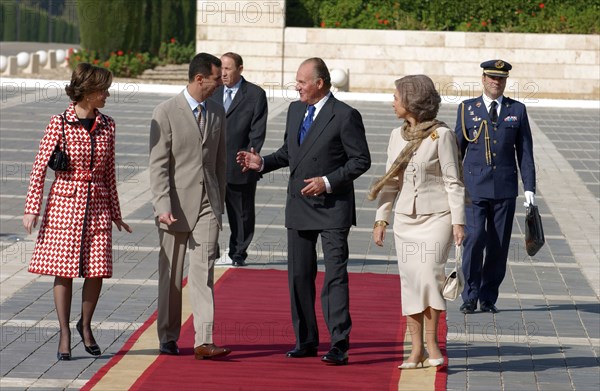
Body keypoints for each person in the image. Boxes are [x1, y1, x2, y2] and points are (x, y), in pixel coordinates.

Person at [237, 57, 371, 366]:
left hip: (332, 207)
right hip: (299, 205)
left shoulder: (345, 115)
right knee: (299, 275)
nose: (296, 86)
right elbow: (289, 152)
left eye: (301, 81)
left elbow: (360, 160)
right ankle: (306, 340)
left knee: (334, 276)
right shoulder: (296, 110)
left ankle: (339, 342)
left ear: (319, 84)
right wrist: (262, 163)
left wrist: (327, 182)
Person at [23, 63, 132, 361]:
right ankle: (64, 332)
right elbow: (38, 168)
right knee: (64, 270)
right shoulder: (58, 123)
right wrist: (32, 208)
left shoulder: (108, 124)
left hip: (97, 204)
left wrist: (116, 212)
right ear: (87, 92)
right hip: (65, 203)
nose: (107, 95)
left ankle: (85, 325)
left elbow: (110, 171)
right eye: (103, 90)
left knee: (97, 270)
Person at [370, 75, 465, 369]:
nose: (393, 102)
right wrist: (381, 218)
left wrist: (458, 222)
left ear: (412, 101)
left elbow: (454, 181)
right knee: (411, 284)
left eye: (396, 96)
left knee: (430, 279)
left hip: (438, 218)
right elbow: (390, 182)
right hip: (405, 221)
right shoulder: (396, 136)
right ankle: (415, 350)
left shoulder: (442, 135)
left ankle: (433, 345)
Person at [149, 52, 231, 360]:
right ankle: (168, 335)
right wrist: (161, 205)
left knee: (203, 270)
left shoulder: (218, 112)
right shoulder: (165, 111)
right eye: (216, 80)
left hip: (208, 203)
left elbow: (220, 162)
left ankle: (203, 340)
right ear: (199, 79)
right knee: (171, 275)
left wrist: (219, 202)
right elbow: (157, 165)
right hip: (174, 206)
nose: (220, 86)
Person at [455, 60, 536, 314]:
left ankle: (488, 296)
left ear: (505, 81)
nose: (495, 82)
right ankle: (470, 294)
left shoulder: (517, 110)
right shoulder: (467, 109)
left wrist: (530, 190)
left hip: (504, 187)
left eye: (500, 79)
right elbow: (456, 151)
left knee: (498, 244)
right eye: (491, 77)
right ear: (482, 79)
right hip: (474, 187)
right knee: (475, 238)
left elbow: (525, 153)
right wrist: (452, 186)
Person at [210, 52, 268, 267]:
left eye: (228, 68)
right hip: (212, 165)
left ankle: (237, 254)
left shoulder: (254, 94)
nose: (223, 73)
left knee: (241, 213)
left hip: (239, 163)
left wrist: (249, 157)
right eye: (221, 68)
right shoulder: (213, 91)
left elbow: (257, 131)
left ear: (240, 69)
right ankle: (211, 251)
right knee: (210, 212)